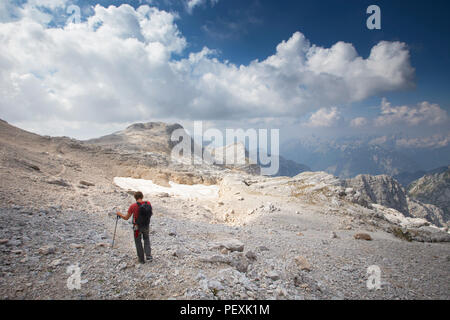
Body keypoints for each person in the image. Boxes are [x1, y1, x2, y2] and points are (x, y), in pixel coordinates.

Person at [116, 191, 153, 264]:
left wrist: (119, 214)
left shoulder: (133, 206)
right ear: (142, 196)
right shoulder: (148, 203)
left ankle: (141, 259)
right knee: (146, 239)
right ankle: (148, 256)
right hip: (146, 225)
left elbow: (126, 217)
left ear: (135, 198)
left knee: (138, 242)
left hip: (137, 227)